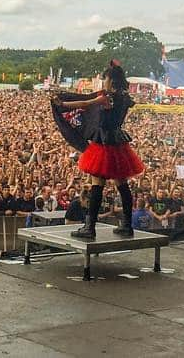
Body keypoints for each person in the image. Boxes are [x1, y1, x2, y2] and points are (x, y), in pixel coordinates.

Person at [52, 60, 144, 240]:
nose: (104, 82)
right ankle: (127, 225)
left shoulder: (106, 98)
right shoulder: (125, 97)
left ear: (111, 80)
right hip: (118, 142)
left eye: (105, 78)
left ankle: (89, 226)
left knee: (97, 185)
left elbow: (85, 104)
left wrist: (61, 104)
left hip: (104, 143)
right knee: (122, 185)